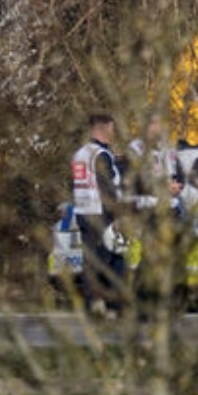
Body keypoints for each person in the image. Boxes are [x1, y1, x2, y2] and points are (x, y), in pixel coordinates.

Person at [71, 113, 128, 313]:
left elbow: (74, 185)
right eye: (112, 128)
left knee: (91, 262)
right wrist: (117, 215)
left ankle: (93, 303)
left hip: (83, 213)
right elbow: (107, 187)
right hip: (101, 214)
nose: (113, 132)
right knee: (114, 259)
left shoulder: (80, 154)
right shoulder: (100, 155)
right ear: (103, 128)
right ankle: (112, 304)